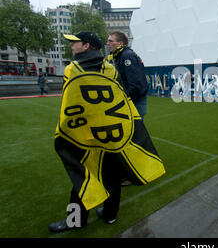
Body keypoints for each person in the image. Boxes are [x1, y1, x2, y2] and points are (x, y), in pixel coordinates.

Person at [48, 31, 165, 233]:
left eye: (75, 43)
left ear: (86, 46)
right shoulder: (110, 68)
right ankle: (110, 215)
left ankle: (75, 221)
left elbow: (70, 105)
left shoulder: (72, 69)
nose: (71, 46)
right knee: (112, 173)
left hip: (86, 134)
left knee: (82, 176)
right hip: (112, 131)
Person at [106, 32, 149, 120]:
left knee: (135, 131)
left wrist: (123, 99)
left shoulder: (127, 56)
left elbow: (136, 84)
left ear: (120, 43)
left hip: (134, 102)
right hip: (131, 101)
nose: (107, 44)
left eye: (110, 41)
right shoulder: (120, 55)